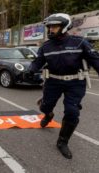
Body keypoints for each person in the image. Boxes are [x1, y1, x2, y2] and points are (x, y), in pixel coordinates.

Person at [29, 13, 99, 159]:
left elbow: (95, 59)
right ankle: (48, 114)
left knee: (72, 112)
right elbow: (38, 61)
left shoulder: (80, 42)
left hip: (75, 82)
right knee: (45, 107)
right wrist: (30, 70)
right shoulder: (46, 46)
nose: (50, 30)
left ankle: (62, 142)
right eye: (49, 27)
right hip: (53, 82)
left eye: (54, 27)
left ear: (65, 26)